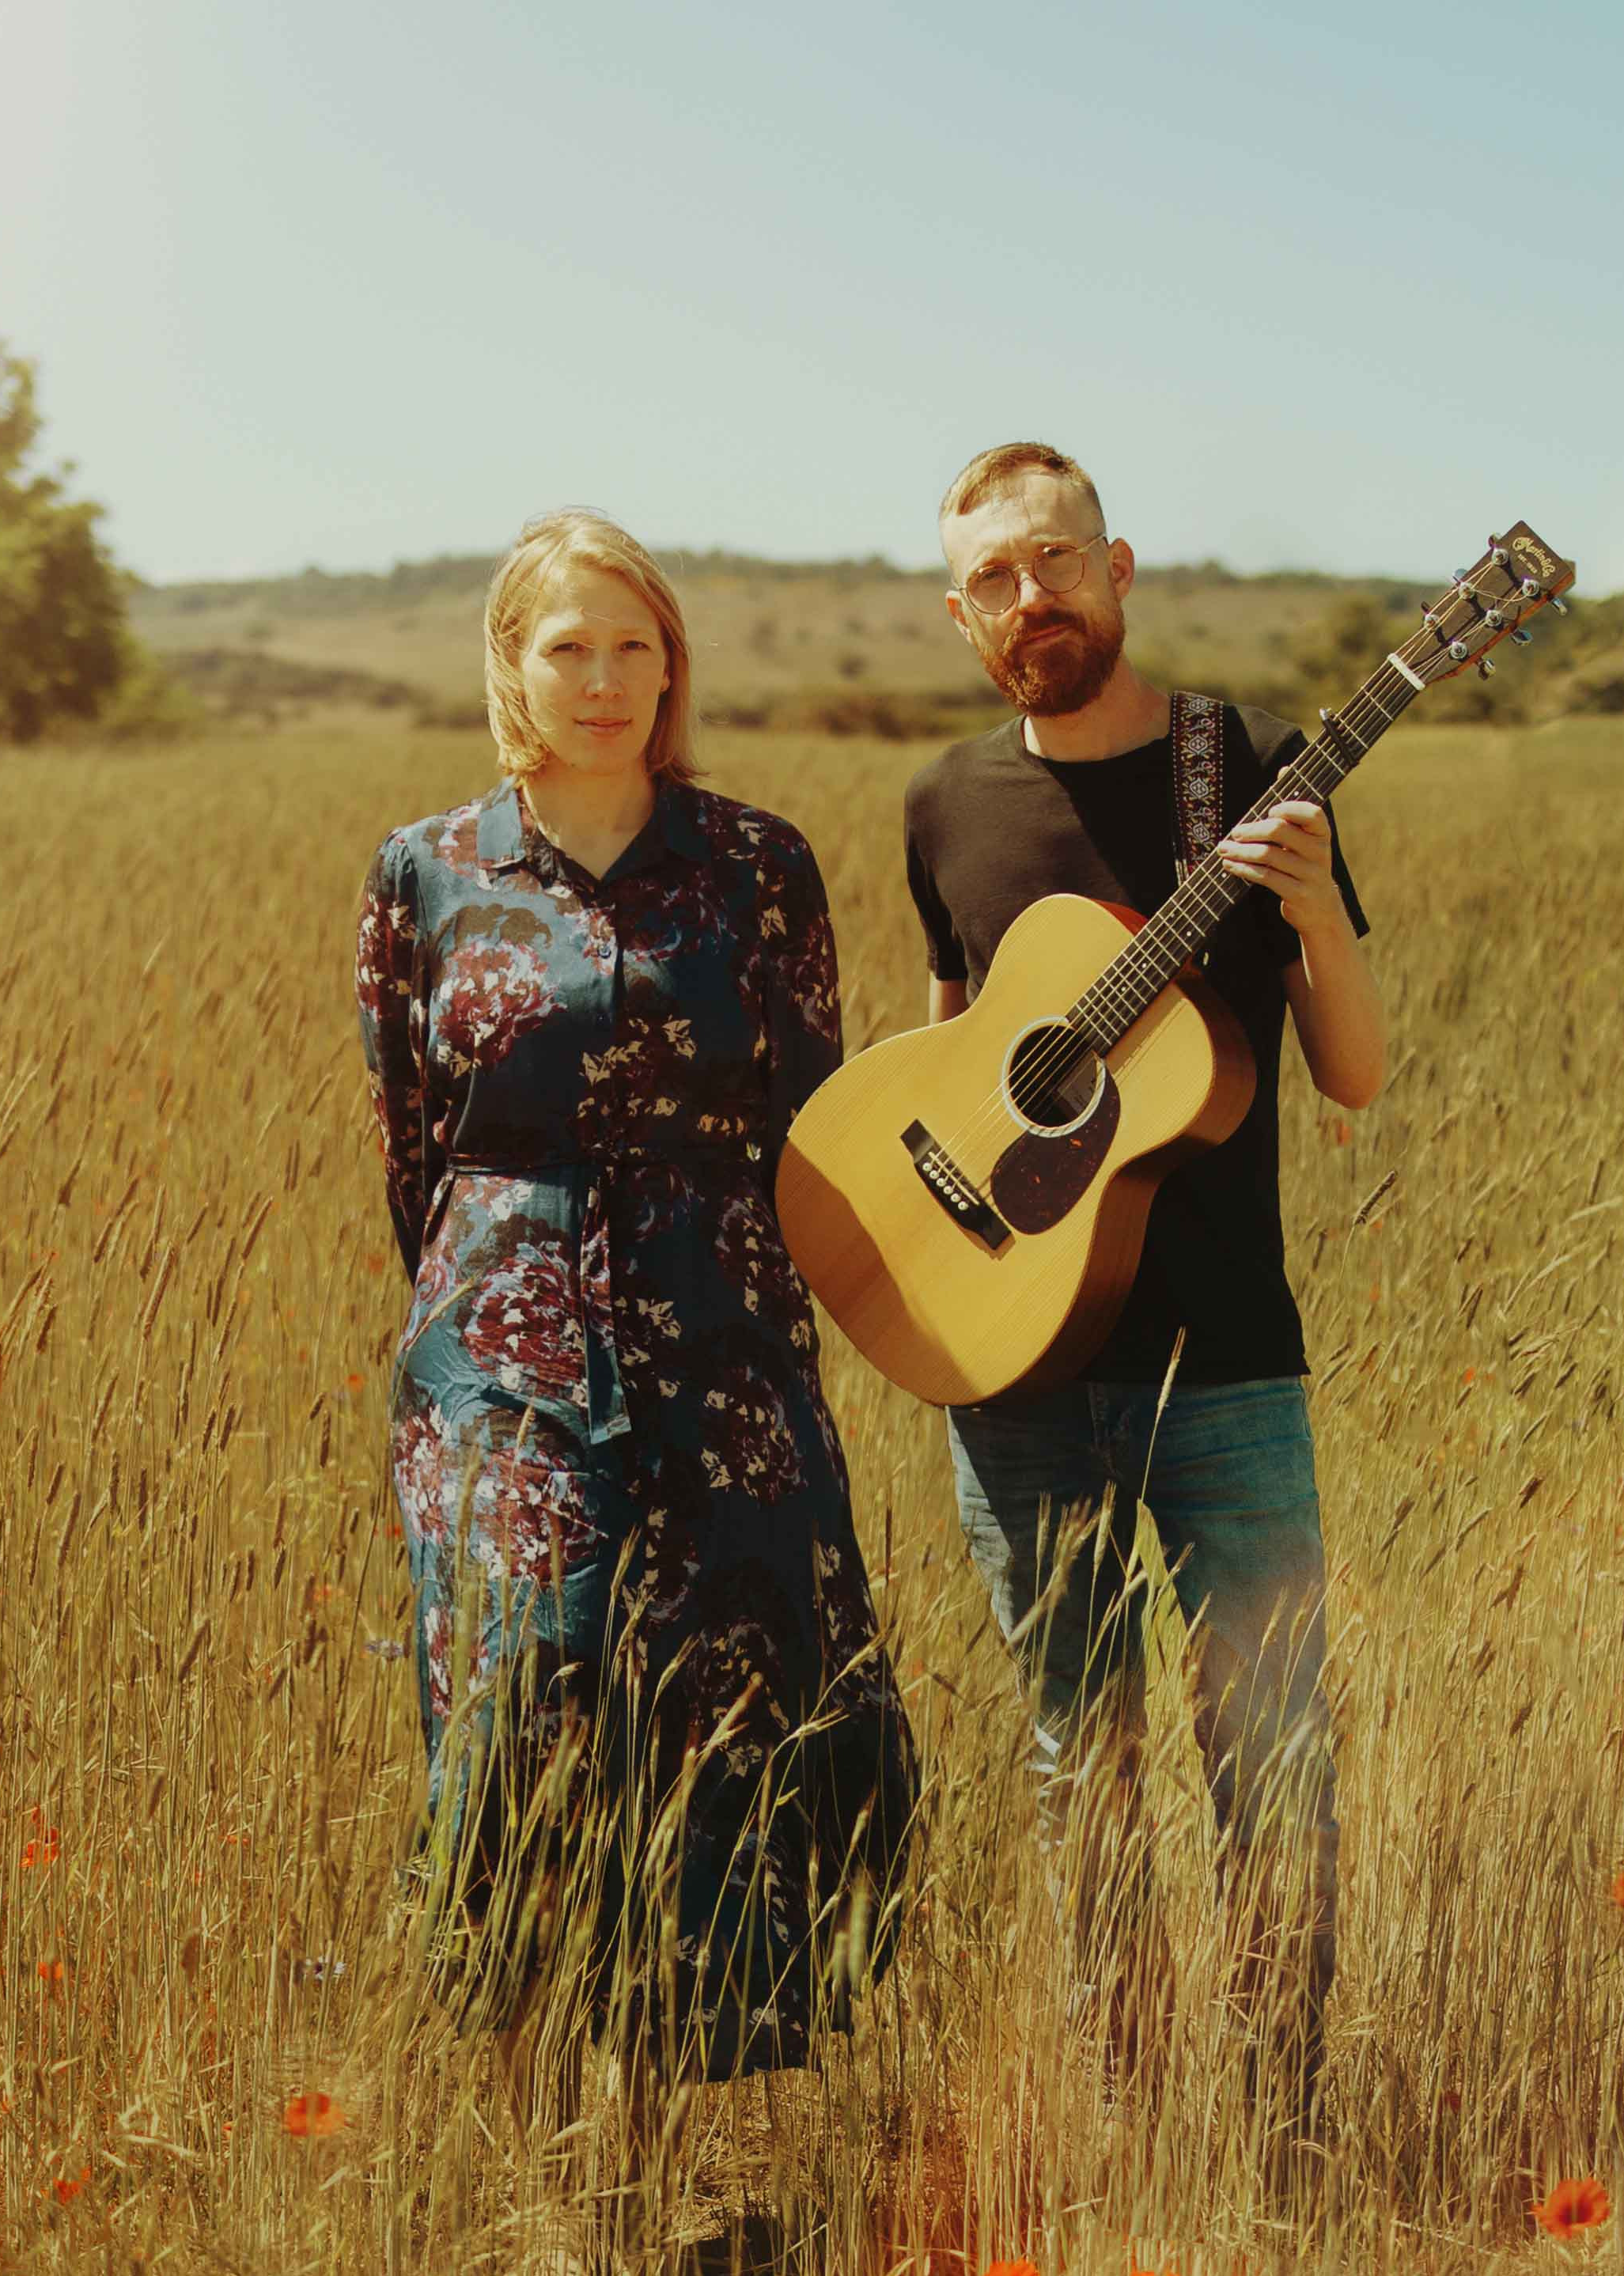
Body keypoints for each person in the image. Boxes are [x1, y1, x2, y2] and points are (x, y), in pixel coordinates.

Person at [354, 508, 918, 2142]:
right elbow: (410, 1146)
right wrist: (479, 1323)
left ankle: (663, 2119)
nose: (600, 681)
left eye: (632, 647)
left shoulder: (756, 863)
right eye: (565, 647)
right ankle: (520, 2105)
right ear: (509, 667)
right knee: (526, 1688)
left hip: (723, 1335)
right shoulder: (427, 872)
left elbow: (815, 1123)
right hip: (496, 1340)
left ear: (669, 669)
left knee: (722, 1696)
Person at [899, 441, 1383, 2166]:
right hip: (1014, 1376)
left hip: (1227, 1366)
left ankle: (1284, 2133)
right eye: (994, 582)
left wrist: (1316, 904)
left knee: (1272, 1753)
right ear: (960, 615)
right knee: (1073, 1764)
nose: (1031, 602)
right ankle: (1127, 2118)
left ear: (1116, 567)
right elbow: (944, 1071)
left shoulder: (1232, 770)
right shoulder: (943, 807)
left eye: (1054, 563)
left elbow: (1350, 1074)